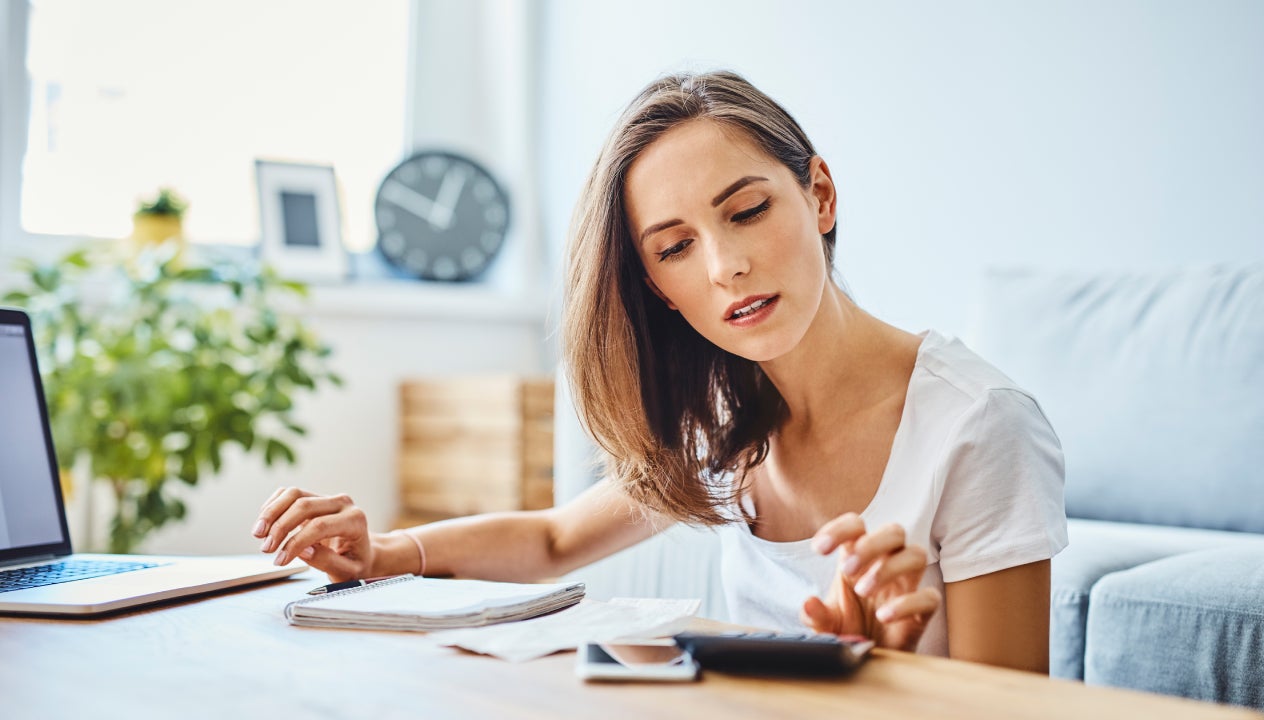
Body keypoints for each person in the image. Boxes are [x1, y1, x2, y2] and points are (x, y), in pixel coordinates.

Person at [251, 70, 1066, 672]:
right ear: (657, 290)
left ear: (819, 195)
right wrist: (381, 553)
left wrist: (890, 667)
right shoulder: (727, 413)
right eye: (675, 248)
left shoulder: (978, 423)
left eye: (747, 211)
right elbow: (553, 538)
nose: (726, 267)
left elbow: (1019, 705)